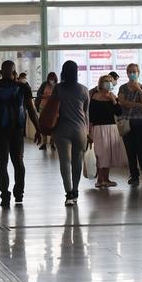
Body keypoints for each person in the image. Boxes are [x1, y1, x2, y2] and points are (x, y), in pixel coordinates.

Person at [0, 60, 42, 209]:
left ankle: (5, 196)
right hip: (17, 132)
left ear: (1, 71)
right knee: (18, 162)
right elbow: (31, 110)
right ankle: (19, 193)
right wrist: (38, 129)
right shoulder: (22, 87)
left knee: (2, 164)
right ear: (14, 72)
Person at [53, 60, 90, 206]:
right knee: (77, 160)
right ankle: (75, 191)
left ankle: (68, 194)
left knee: (65, 161)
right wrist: (88, 131)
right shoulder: (84, 90)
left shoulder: (58, 89)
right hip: (80, 129)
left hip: (61, 129)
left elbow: (52, 108)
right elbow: (86, 113)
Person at [89, 74, 127, 189]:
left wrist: (114, 101)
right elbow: (91, 116)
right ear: (101, 84)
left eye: (110, 81)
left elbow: (119, 112)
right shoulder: (95, 97)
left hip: (111, 127)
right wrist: (89, 130)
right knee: (101, 154)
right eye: (106, 81)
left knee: (109, 153)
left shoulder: (112, 97)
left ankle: (106, 178)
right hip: (99, 129)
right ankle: (100, 179)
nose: (108, 83)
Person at [117, 63, 142, 185]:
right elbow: (122, 102)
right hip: (127, 123)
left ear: (138, 73)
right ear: (127, 73)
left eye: (134, 71)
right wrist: (137, 105)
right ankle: (134, 175)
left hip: (141, 123)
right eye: (130, 71)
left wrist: (138, 89)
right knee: (130, 150)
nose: (132, 73)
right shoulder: (122, 88)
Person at [36, 72, 59, 152]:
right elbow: (39, 93)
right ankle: (44, 143)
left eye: (53, 79)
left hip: (53, 109)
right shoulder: (44, 84)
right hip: (43, 107)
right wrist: (44, 96)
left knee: (53, 126)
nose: (51, 80)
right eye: (50, 79)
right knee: (43, 125)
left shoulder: (57, 86)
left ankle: (52, 143)